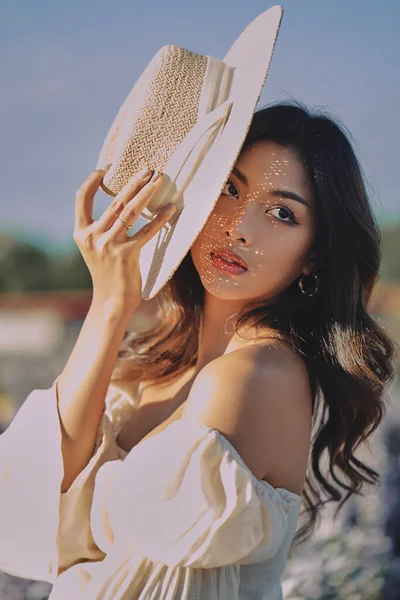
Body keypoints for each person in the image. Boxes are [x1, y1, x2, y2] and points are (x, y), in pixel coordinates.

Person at [0, 98, 394, 599]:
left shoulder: (253, 376)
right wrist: (109, 306)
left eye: (280, 213)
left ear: (315, 255)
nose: (238, 228)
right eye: (229, 189)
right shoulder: (150, 367)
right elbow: (28, 514)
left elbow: (58, 521)